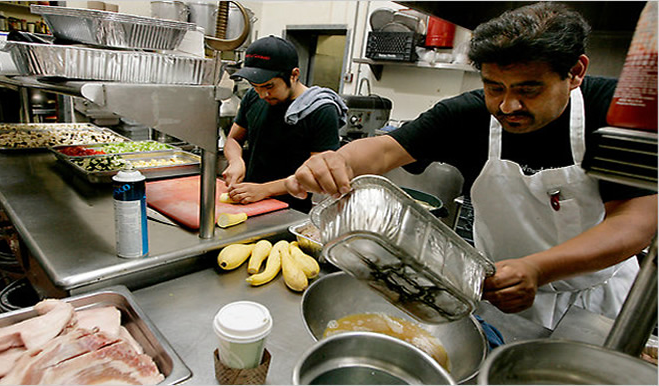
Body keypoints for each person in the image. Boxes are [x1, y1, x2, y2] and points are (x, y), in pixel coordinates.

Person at [285, 2, 657, 329]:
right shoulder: (467, 114)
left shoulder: (616, 112)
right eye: (495, 87)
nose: (508, 106)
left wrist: (539, 268)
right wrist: (336, 160)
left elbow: (636, 220)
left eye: (528, 90)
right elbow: (384, 151)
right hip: (500, 294)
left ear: (575, 72)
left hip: (591, 302)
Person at [224, 35, 347, 213]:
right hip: (247, 199)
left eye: (269, 86)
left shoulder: (321, 110)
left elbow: (317, 173)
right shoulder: (253, 96)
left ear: (294, 75)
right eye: (255, 86)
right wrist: (236, 161)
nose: (261, 94)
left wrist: (264, 190)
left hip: (290, 209)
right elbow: (233, 139)